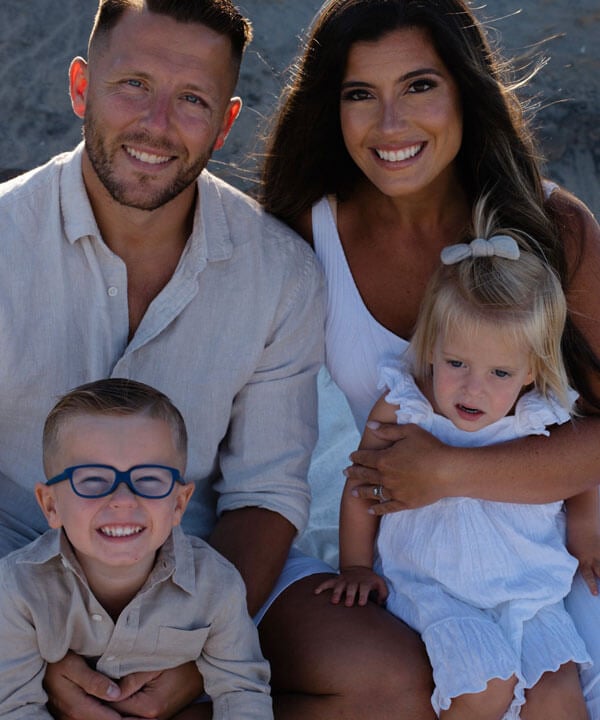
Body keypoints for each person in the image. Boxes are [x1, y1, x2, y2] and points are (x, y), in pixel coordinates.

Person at [261, 0, 600, 716]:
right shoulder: (305, 230)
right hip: (419, 557)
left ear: (464, 90)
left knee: (563, 690)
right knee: (459, 687)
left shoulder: (551, 228)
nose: (391, 124)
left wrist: (449, 470)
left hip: (551, 545)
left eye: (419, 85)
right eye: (360, 94)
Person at [315, 202, 593, 719]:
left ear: (531, 371)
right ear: (431, 348)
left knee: (560, 698)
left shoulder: (543, 418)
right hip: (438, 588)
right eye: (456, 363)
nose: (473, 387)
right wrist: (355, 564)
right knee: (484, 688)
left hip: (529, 590)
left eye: (499, 374)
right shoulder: (406, 408)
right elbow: (363, 484)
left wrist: (589, 531)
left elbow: (580, 476)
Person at [0, 378, 273, 720]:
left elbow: (242, 692)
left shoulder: (216, 585)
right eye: (93, 480)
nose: (123, 501)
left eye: (149, 479)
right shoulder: (18, 590)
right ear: (51, 505)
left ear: (179, 503)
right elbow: (15, 707)